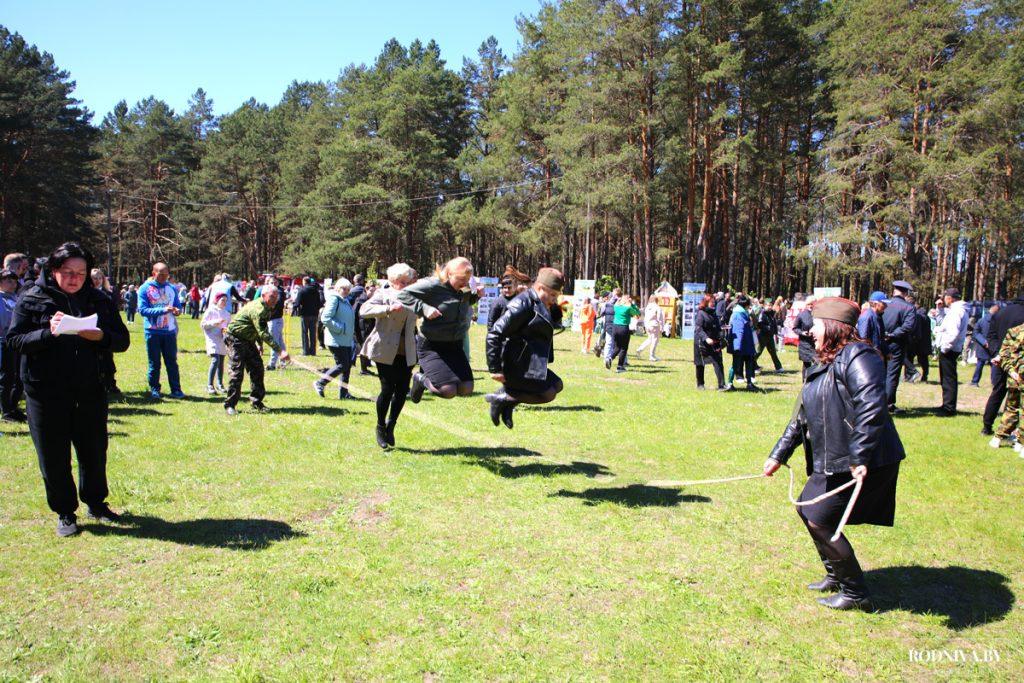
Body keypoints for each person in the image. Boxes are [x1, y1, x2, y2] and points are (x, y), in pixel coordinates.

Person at [763, 297, 905, 611]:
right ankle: (836, 574)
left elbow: (871, 407)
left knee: (820, 519)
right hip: (835, 458)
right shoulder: (823, 360)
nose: (809, 331)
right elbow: (801, 417)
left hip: (863, 459)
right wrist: (778, 455)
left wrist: (859, 456)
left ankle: (856, 593)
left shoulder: (859, 355)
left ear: (831, 325)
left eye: (814, 325)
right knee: (807, 510)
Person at [7, 242, 130, 537]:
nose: (74, 278)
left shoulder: (98, 300)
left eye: (81, 272)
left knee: (94, 450)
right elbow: (15, 340)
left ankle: (96, 503)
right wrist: (48, 333)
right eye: (67, 272)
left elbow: (121, 340)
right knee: (53, 454)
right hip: (45, 392)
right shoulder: (32, 298)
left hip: (90, 388)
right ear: (53, 270)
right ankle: (65, 511)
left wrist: (99, 335)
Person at [484, 268, 566, 429]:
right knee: (548, 393)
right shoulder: (522, 303)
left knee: (557, 385)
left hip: (530, 362)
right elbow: (495, 333)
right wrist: (495, 368)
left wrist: (554, 311)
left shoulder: (540, 302)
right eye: (553, 295)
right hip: (516, 364)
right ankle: (501, 399)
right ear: (541, 288)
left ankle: (507, 403)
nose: (554, 299)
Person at [397, 257, 482, 402]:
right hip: (432, 345)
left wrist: (475, 296)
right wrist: (424, 308)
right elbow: (403, 295)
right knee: (447, 391)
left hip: (454, 344)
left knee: (466, 388)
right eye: (461, 279)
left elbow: (457, 304)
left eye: (468, 279)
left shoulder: (464, 287)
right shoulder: (432, 285)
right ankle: (420, 379)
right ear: (449, 274)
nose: (465, 283)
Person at [360, 264, 419, 449]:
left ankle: (391, 425)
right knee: (387, 389)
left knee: (402, 391)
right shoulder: (382, 294)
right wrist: (387, 309)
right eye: (401, 282)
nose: (405, 285)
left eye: (407, 281)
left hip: (407, 349)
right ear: (393, 281)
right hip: (385, 349)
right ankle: (380, 426)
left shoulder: (413, 296)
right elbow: (363, 310)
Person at [223, 287, 289, 415]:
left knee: (257, 368)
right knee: (237, 372)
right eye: (272, 297)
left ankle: (257, 402)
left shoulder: (268, 306)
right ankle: (230, 405)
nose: (275, 300)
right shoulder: (258, 309)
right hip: (235, 338)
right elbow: (264, 332)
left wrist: (259, 344)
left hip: (248, 339)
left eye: (276, 297)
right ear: (264, 295)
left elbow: (258, 328)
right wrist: (280, 351)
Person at [138, 262, 184, 399]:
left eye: (166, 274)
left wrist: (177, 311)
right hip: (152, 332)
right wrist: (163, 310)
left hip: (169, 331)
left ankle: (176, 390)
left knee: (172, 362)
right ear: (154, 273)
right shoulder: (145, 288)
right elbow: (143, 310)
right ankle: (154, 389)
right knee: (154, 363)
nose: (164, 277)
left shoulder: (172, 288)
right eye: (161, 274)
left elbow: (177, 306)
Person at [982, 294, 1024, 436]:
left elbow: (991, 336)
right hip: (1019, 360)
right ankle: (1011, 430)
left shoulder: (1000, 312)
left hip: (1000, 358)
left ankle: (987, 426)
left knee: (998, 391)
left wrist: (997, 354)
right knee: (1016, 395)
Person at [315, 278, 356, 400]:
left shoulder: (346, 301)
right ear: (337, 288)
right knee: (342, 365)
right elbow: (326, 318)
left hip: (346, 339)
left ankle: (344, 393)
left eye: (348, 289)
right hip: (336, 339)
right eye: (344, 288)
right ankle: (320, 383)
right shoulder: (334, 299)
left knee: (347, 366)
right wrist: (341, 328)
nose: (346, 291)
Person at [881, 280, 918, 413]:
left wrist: (884, 335)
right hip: (896, 343)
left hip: (881, 342)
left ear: (894, 291)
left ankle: (881, 402)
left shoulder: (885, 305)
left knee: (881, 373)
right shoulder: (909, 307)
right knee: (892, 374)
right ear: (906, 293)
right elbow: (908, 327)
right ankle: (888, 404)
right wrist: (892, 335)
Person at [934, 287, 969, 415]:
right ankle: (946, 404)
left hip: (950, 349)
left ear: (949, 298)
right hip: (952, 348)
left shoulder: (956, 312)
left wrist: (945, 348)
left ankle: (948, 408)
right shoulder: (957, 310)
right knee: (947, 378)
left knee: (948, 379)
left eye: (944, 297)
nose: (943, 299)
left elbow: (953, 333)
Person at [989, 323, 1024, 451]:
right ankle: (1020, 443)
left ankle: (998, 438)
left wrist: (1011, 371)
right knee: (1015, 409)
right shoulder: (1014, 331)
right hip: (1017, 377)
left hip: (1014, 378)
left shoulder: (1013, 331)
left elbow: (1003, 355)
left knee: (1011, 409)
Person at [0, 268, 26, 423]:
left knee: (19, 377)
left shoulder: (16, 298)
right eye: (8, 280)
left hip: (16, 342)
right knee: (6, 378)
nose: (13, 283)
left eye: (15, 281)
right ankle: (6, 411)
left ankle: (12, 407)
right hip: (3, 342)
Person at [694, 294, 726, 390]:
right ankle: (700, 384)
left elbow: (717, 327)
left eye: (714, 302)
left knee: (718, 362)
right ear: (706, 302)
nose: (713, 304)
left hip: (714, 342)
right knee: (700, 363)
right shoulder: (701, 313)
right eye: (711, 302)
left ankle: (722, 385)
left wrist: (721, 336)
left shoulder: (714, 313)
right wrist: (706, 338)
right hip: (701, 342)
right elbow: (698, 328)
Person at [201, 292, 231, 394]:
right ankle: (210, 385)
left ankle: (220, 384)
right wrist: (214, 323)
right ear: (217, 300)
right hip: (212, 338)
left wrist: (226, 331)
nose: (224, 302)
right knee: (215, 359)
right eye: (222, 300)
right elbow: (203, 324)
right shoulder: (210, 311)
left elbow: (228, 326)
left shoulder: (227, 314)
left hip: (222, 339)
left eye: (226, 301)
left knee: (221, 361)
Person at [728, 294, 758, 390]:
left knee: (749, 363)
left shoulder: (743, 312)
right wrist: (737, 346)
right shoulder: (738, 314)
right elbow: (738, 330)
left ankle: (749, 383)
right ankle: (729, 384)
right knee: (735, 364)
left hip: (747, 343)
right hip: (740, 345)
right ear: (746, 304)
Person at [258, 276, 288, 370]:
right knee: (280, 342)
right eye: (271, 283)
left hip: (275, 320)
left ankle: (272, 364)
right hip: (273, 320)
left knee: (273, 342)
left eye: (274, 282)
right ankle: (283, 362)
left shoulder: (278, 293)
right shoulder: (272, 292)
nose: (272, 284)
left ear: (277, 283)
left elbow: (274, 305)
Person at [606, 294, 640, 373]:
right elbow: (637, 314)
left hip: (615, 327)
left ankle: (610, 358)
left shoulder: (616, 307)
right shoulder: (628, 308)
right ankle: (620, 367)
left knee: (617, 347)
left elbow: (616, 303)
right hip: (623, 328)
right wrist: (633, 304)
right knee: (624, 348)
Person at [970, 305, 998, 387]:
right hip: (991, 346)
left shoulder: (981, 320)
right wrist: (987, 342)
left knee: (981, 364)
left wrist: (984, 342)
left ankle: (975, 382)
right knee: (993, 365)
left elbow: (976, 333)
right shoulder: (997, 321)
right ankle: (994, 383)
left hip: (984, 345)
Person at [352, 280, 375, 376]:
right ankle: (363, 369)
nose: (373, 293)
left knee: (368, 347)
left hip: (368, 328)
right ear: (366, 289)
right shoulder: (361, 300)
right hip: (361, 328)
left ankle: (366, 365)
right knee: (363, 348)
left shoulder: (370, 300)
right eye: (372, 291)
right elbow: (354, 315)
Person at [295, 276, 321, 356]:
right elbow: (319, 303)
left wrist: (294, 306)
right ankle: (313, 352)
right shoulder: (316, 291)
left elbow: (297, 303)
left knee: (304, 333)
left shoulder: (302, 290)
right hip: (314, 314)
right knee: (313, 333)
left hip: (305, 314)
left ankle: (305, 351)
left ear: (304, 282)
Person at [755, 301, 784, 373]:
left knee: (773, 352)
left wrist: (775, 331)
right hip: (762, 336)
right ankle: (752, 366)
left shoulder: (771, 314)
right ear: (764, 306)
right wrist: (767, 328)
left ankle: (778, 367)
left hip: (770, 336)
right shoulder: (762, 313)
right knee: (758, 352)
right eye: (768, 305)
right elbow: (760, 324)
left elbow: (773, 323)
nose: (770, 307)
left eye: (771, 305)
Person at [793, 297, 817, 381]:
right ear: (806, 305)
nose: (811, 306)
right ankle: (805, 381)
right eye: (809, 304)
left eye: (812, 304)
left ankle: (814, 380)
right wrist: (802, 332)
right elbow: (795, 328)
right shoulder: (801, 315)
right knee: (807, 363)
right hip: (805, 343)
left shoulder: (818, 314)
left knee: (817, 362)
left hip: (816, 343)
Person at [636, 295, 665, 362]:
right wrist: (662, 327)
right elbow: (660, 318)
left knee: (649, 339)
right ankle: (652, 356)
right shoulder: (657, 307)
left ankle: (640, 349)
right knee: (655, 340)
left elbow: (645, 317)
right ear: (656, 300)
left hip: (647, 325)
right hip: (654, 325)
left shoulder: (647, 307)